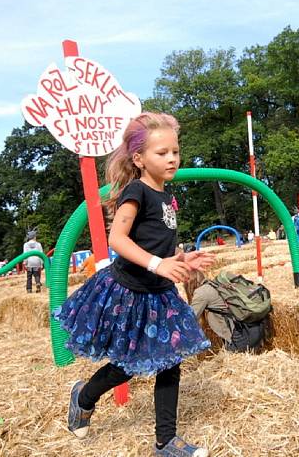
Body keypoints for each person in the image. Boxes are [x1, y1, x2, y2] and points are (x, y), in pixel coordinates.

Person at [52, 112, 214, 456]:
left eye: (175, 151)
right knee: (126, 366)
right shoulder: (135, 192)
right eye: (161, 153)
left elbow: (158, 246)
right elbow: (118, 240)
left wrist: (183, 261)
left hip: (159, 294)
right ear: (139, 159)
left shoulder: (168, 197)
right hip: (130, 293)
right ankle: (83, 397)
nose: (171, 158)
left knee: (171, 361)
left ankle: (165, 442)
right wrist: (158, 264)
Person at [186, 271, 269, 353]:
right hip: (257, 326)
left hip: (242, 337)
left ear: (189, 282)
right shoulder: (215, 285)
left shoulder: (202, 292)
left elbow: (190, 320)